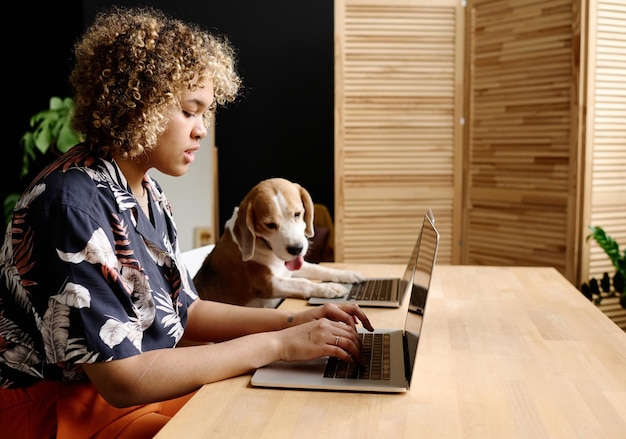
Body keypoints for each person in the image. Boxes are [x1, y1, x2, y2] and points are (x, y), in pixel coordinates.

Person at [0, 6, 373, 438]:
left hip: (115, 395)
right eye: (189, 111)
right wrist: (279, 345)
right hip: (53, 410)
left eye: (206, 113)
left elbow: (184, 309)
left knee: (284, 405)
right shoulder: (72, 204)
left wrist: (297, 323)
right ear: (137, 104)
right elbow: (124, 380)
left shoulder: (146, 192)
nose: (202, 130)